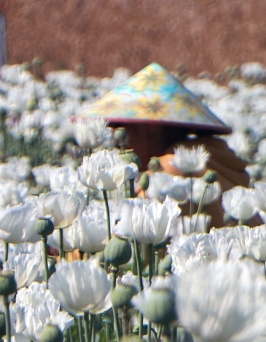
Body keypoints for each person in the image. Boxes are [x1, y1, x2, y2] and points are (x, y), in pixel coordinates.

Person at [81, 63, 251, 227]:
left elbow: (134, 239)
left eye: (120, 127)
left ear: (150, 129)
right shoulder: (219, 160)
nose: (115, 138)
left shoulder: (168, 172)